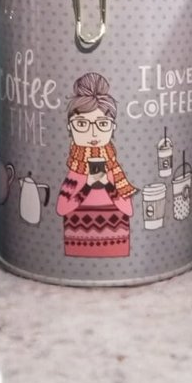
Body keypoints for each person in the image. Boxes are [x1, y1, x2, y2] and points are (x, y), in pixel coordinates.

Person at [57, 73, 136, 258]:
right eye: (81, 124)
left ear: (113, 127)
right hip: (77, 246)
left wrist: (107, 184)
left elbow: (128, 209)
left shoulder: (114, 172)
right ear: (70, 127)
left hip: (116, 245)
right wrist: (86, 187)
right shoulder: (75, 172)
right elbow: (61, 208)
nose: (93, 133)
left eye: (102, 124)